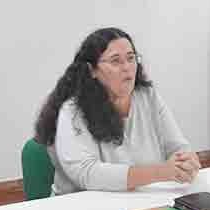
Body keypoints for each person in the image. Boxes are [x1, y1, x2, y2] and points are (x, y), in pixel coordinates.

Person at [34, 27, 200, 195]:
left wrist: (186, 161)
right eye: (115, 61)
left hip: (140, 200)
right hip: (83, 207)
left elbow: (178, 146)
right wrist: (161, 172)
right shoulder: (73, 110)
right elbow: (87, 174)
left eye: (131, 58)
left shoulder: (148, 97)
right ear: (92, 70)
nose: (127, 67)